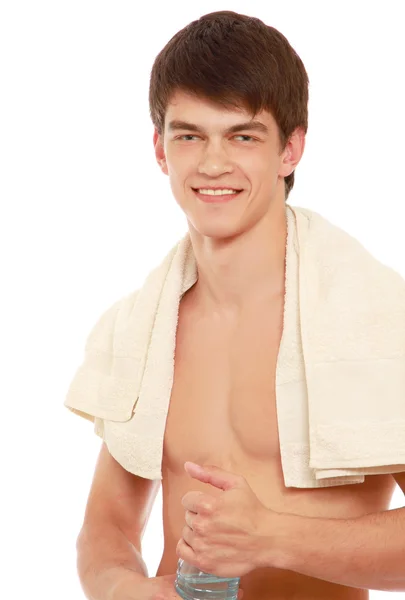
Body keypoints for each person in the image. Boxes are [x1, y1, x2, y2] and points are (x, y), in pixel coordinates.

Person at [64, 10, 405, 600]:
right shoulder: (142, 327)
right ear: (160, 148)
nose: (213, 164)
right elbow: (108, 528)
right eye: (189, 134)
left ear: (290, 149)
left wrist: (274, 538)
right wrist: (125, 588)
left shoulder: (379, 320)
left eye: (243, 136)